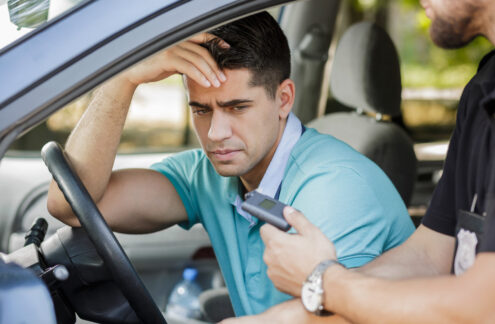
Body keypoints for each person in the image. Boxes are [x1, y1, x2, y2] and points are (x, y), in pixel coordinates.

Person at [46, 12, 414, 316]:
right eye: (201, 110)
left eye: (237, 107)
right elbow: (72, 206)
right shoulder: (208, 174)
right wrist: (122, 80)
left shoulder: (338, 187)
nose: (216, 134)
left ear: (283, 99)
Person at [221, 0, 495, 322]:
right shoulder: (485, 88)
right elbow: (430, 254)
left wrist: (323, 281)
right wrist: (278, 318)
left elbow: (487, 309)